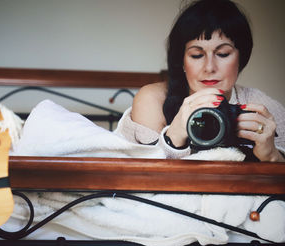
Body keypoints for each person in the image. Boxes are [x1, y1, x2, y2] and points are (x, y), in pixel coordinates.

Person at [120, 0, 285, 161]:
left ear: (241, 58)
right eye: (197, 55)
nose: (209, 67)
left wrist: (271, 156)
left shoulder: (260, 107)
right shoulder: (154, 99)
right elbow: (145, 178)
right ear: (182, 61)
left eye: (223, 54)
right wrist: (174, 136)